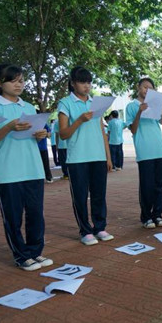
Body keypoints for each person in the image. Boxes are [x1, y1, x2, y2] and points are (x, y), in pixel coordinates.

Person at [0, 63, 53, 271]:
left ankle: (35, 252)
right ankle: (21, 256)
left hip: (32, 168)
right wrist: (9, 126)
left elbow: (35, 133)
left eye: (21, 80)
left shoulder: (28, 107)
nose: (18, 84)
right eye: (12, 80)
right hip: (7, 172)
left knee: (35, 213)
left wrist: (41, 134)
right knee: (13, 217)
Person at [58, 66, 114, 245]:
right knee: (80, 196)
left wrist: (108, 156)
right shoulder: (66, 103)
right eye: (82, 82)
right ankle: (85, 230)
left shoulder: (95, 103)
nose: (86, 86)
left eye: (89, 82)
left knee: (99, 194)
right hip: (77, 158)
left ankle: (100, 227)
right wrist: (80, 120)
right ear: (73, 83)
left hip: (97, 156)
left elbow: (101, 130)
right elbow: (64, 134)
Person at [126, 78, 162, 229]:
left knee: (159, 184)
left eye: (150, 88)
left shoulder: (154, 105)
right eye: (144, 87)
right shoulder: (131, 106)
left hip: (159, 148)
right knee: (147, 185)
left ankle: (157, 214)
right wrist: (140, 111)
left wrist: (161, 105)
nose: (146, 90)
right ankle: (146, 217)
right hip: (144, 150)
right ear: (138, 88)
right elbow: (133, 129)